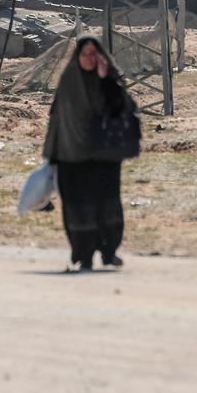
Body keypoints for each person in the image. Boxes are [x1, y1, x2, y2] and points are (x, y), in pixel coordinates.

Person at [43, 37, 138, 271]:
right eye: (85, 54)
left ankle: (108, 252)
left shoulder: (111, 80)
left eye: (94, 54)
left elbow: (123, 108)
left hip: (104, 155)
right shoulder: (68, 81)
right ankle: (83, 255)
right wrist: (52, 153)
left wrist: (107, 81)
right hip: (72, 156)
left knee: (107, 205)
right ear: (77, 57)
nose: (90, 59)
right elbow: (57, 120)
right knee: (78, 207)